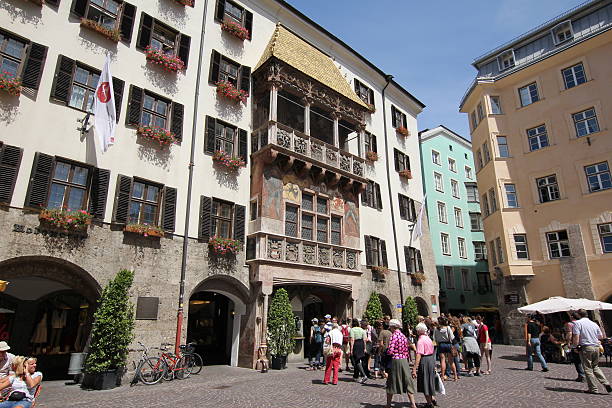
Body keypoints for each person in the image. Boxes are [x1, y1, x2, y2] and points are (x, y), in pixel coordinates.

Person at [571, 309, 611, 394]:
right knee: (595, 367)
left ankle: (593, 389)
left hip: (586, 347)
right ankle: (606, 382)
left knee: (588, 368)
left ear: (579, 315)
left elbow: (576, 337)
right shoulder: (594, 324)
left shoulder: (577, 323)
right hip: (596, 346)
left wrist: (574, 347)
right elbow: (600, 336)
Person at [385, 319, 417, 408]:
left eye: (390, 327)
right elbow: (407, 349)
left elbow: (390, 351)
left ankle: (388, 404)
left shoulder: (393, 336)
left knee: (391, 381)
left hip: (396, 360)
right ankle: (413, 404)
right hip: (404, 360)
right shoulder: (403, 336)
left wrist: (387, 353)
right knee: (407, 380)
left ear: (392, 327)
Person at [413, 323, 437, 408]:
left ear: (419, 331)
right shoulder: (428, 338)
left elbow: (418, 355)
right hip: (431, 359)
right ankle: (432, 398)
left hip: (425, 360)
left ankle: (429, 402)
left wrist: (414, 368)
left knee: (425, 381)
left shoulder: (420, 341)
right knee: (430, 379)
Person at [434, 316, 457, 381]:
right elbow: (452, 337)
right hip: (448, 344)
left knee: (442, 361)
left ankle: (442, 376)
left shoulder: (436, 329)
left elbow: (435, 338)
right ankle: (455, 376)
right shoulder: (448, 328)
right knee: (451, 361)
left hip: (441, 344)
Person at [565, 315, 585, 382]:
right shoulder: (582, 323)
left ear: (572, 317)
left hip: (576, 344)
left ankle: (581, 375)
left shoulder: (570, 324)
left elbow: (569, 334)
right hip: (584, 343)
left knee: (577, 361)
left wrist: (568, 342)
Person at [350, 318, 369, 383]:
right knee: (359, 360)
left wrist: (351, 349)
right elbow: (365, 339)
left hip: (356, 344)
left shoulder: (352, 330)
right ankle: (356, 376)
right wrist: (365, 348)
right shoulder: (362, 330)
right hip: (361, 344)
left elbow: (352, 339)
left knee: (357, 360)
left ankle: (364, 375)